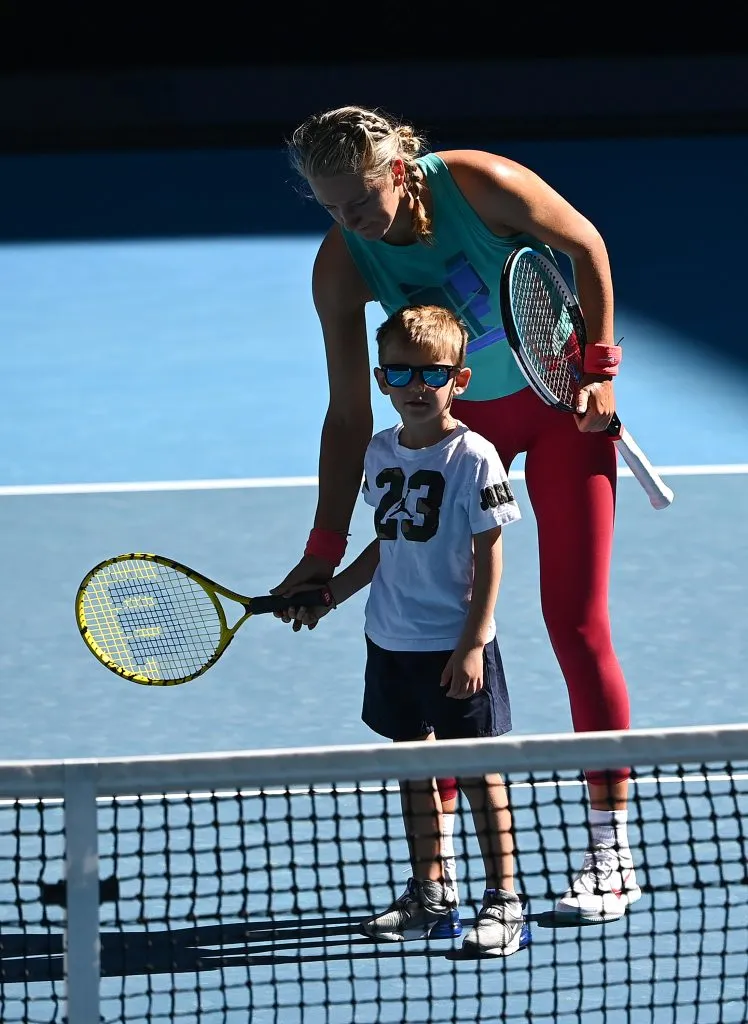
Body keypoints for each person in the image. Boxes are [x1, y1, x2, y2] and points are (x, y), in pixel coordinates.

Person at [274, 104, 641, 924]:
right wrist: (323, 548)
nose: (351, 220)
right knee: (437, 638)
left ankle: (610, 850)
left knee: (576, 623)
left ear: (398, 171)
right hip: (457, 434)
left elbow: (587, 247)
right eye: (332, 208)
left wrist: (601, 370)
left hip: (559, 414)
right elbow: (346, 416)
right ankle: (434, 877)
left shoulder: (482, 183)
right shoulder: (342, 264)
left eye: (361, 200)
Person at [289, 303, 528, 957]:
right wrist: (333, 593)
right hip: (389, 639)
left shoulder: (475, 457)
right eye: (402, 372)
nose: (418, 385)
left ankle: (505, 899)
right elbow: (385, 543)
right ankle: (431, 891)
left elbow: (491, 555)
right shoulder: (379, 451)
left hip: (455, 645)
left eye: (433, 372)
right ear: (381, 379)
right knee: (414, 766)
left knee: (478, 771)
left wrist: (474, 641)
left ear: (461, 380)